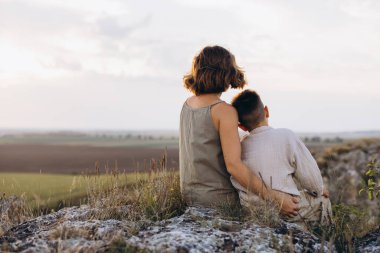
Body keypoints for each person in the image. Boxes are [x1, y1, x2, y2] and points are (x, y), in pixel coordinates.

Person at [179, 45, 299, 217]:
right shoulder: (224, 111)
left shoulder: (187, 105)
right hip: (219, 201)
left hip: (190, 197)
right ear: (226, 73)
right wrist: (276, 199)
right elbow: (234, 166)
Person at [230, 89, 332, 228]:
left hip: (253, 212)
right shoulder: (286, 136)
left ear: (241, 125)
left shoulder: (238, 148)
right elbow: (312, 181)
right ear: (266, 111)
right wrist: (319, 190)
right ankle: (327, 241)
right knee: (323, 200)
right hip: (286, 210)